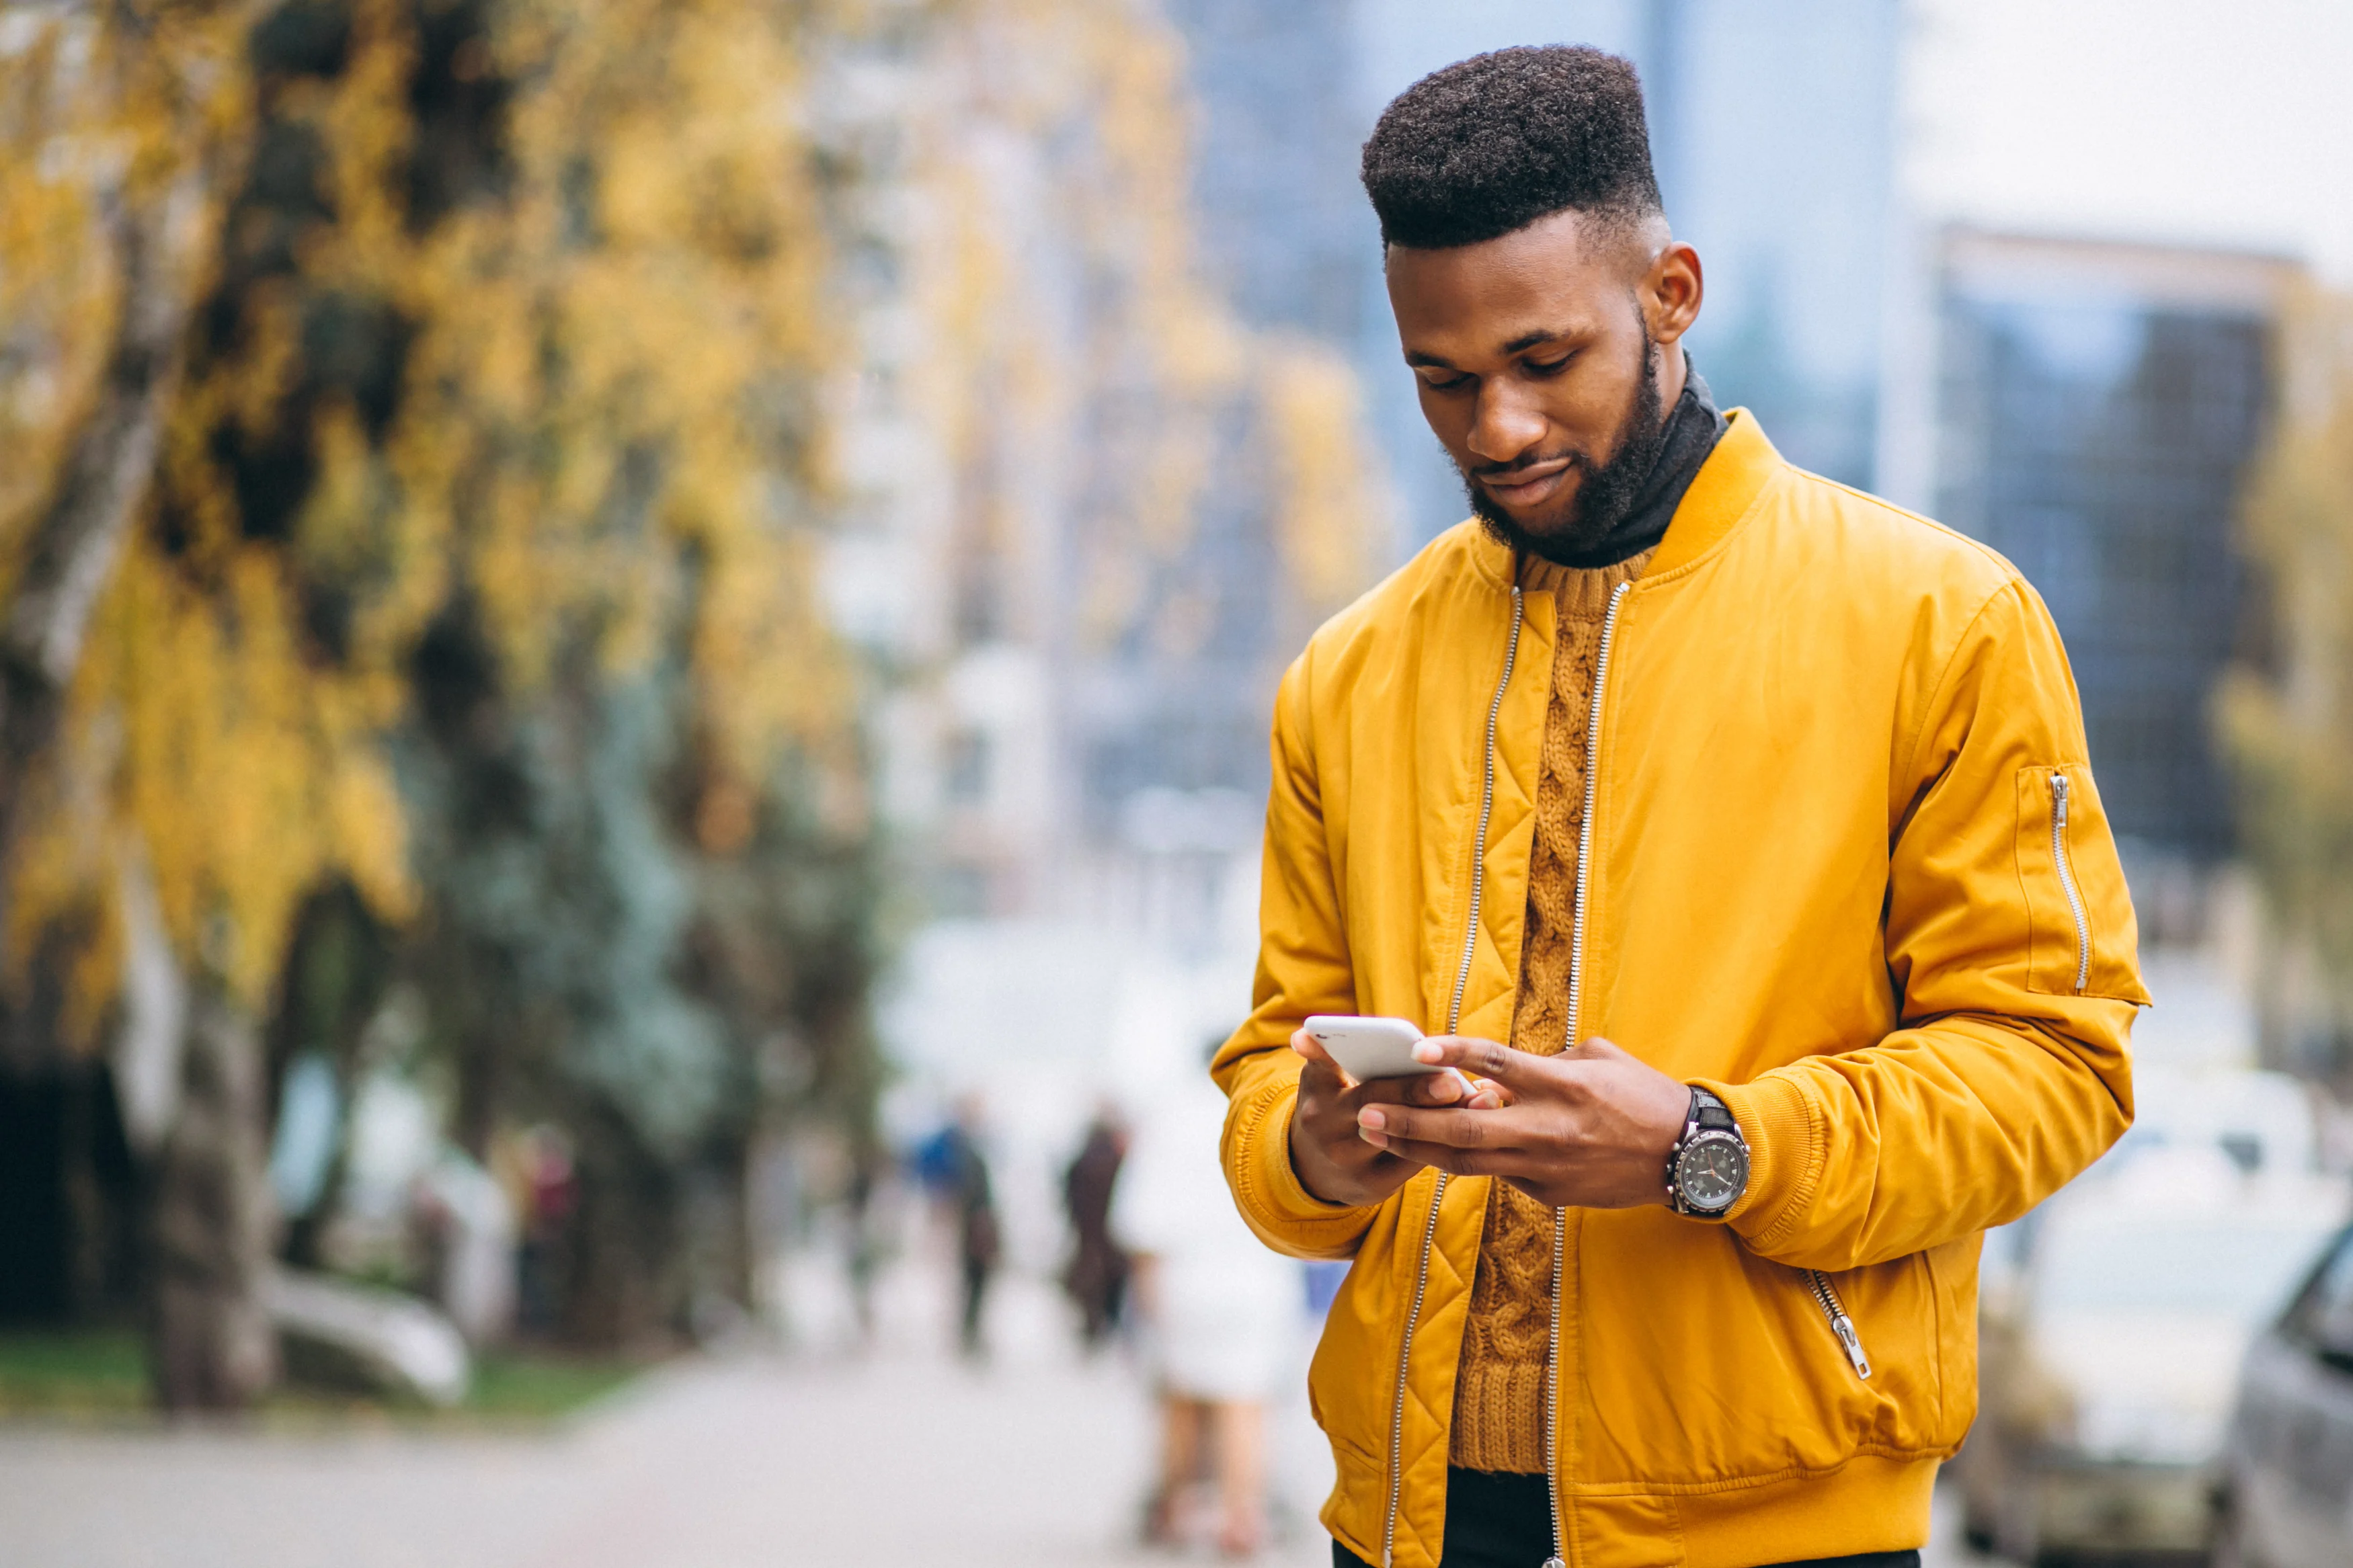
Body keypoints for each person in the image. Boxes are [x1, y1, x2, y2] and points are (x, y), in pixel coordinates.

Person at [1212, 46, 2145, 1568]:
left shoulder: (1943, 622)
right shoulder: (1346, 675)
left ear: (1673, 294)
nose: (1497, 428)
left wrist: (1713, 1146)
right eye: (1442, 380)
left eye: (1542, 358)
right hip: (1407, 1524)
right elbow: (1269, 1066)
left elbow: (2057, 1065)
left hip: (1781, 1527)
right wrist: (1317, 1145)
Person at [1117, 1058, 1302, 1557]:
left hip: (1183, 1280)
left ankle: (1177, 1508)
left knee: (1180, 1396)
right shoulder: (1270, 1107)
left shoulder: (1169, 1115)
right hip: (1259, 1278)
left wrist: (1147, 1301)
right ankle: (1241, 1516)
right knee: (1246, 1401)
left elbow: (1141, 1219)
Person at [1061, 1104, 1131, 1348]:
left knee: (1090, 1284)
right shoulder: (1119, 1162)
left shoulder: (1080, 1162)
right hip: (1112, 1236)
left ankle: (1093, 1331)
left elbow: (1068, 1198)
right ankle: (1107, 1330)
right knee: (1112, 1284)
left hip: (1089, 1235)